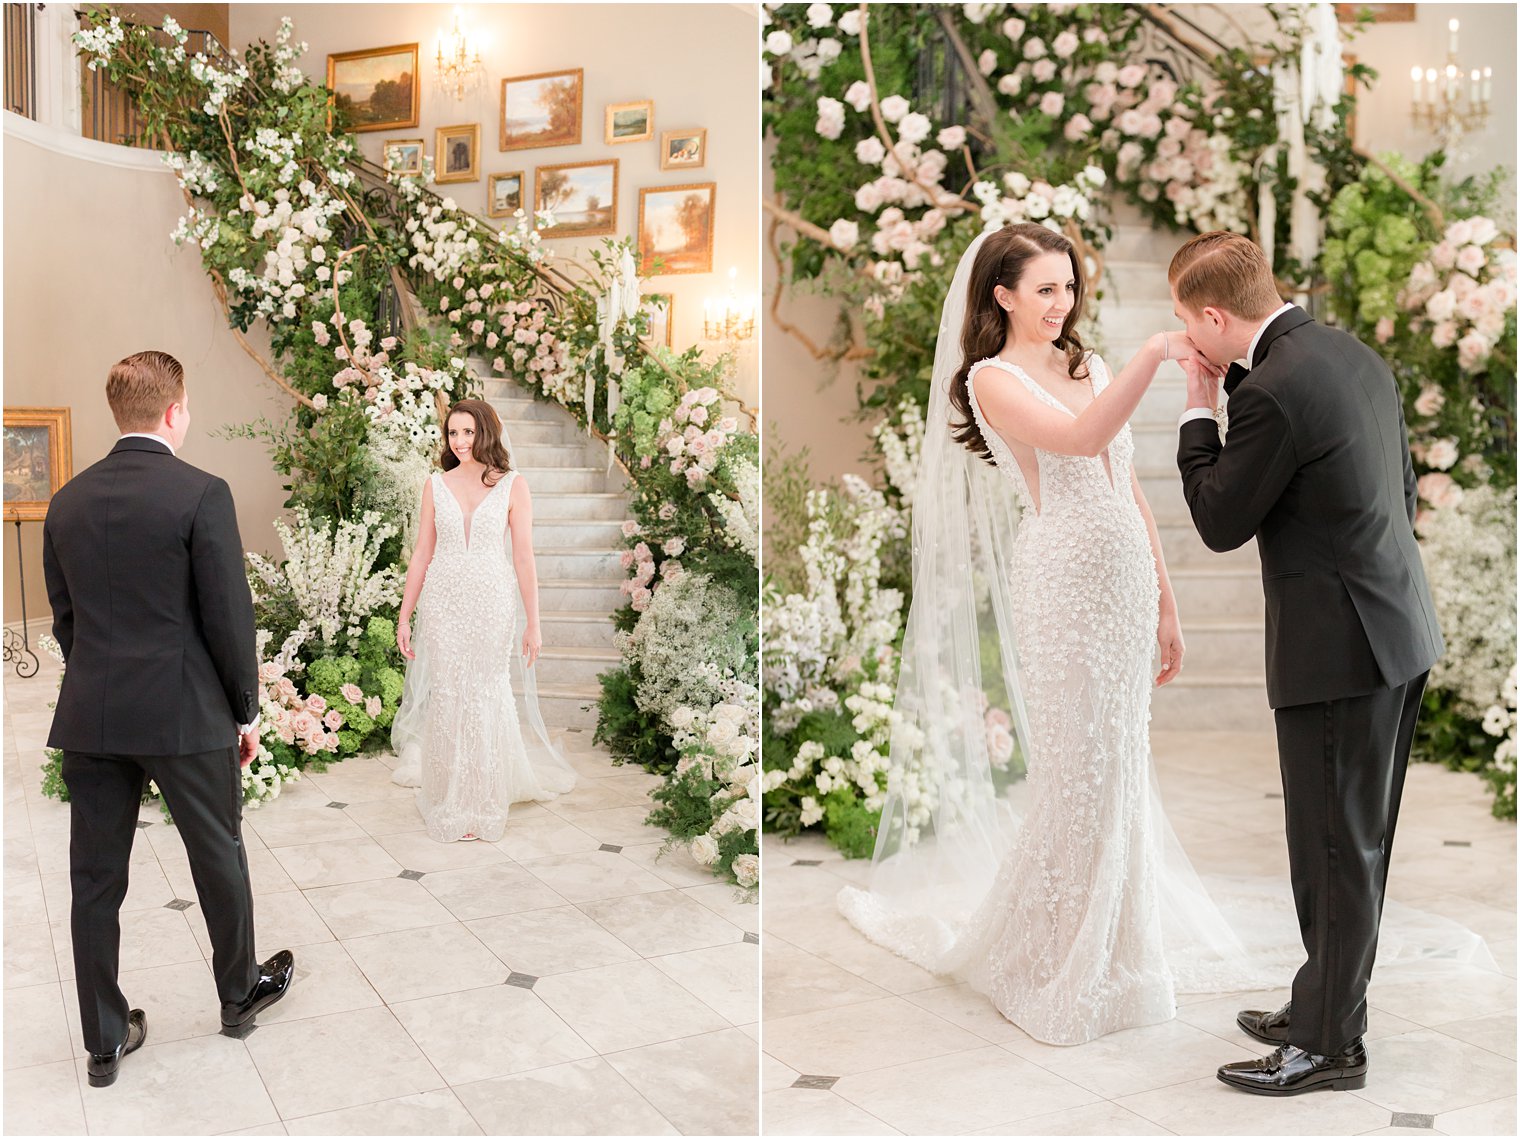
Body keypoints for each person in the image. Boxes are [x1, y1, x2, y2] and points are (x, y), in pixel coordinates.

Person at [838, 222, 1265, 1047]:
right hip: (1062, 580)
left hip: (1125, 582)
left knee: (1122, 764)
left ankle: (1119, 952)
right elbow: (1078, 440)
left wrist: (1167, 598)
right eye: (1044, 289)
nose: (1061, 303)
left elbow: (1125, 481)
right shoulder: (989, 379)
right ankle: (1057, 957)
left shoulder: (1086, 362)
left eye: (1069, 287)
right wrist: (1152, 357)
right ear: (1002, 295)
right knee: (1080, 768)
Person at [1169, 232, 1444, 1096]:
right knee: (1353, 845)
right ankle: (1324, 1003)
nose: (1190, 340)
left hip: (1340, 648)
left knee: (1332, 848)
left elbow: (1218, 518)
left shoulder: (1272, 391)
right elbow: (1402, 489)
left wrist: (1195, 404)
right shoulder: (1349, 354)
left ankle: (1328, 1044)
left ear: (1215, 316)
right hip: (1396, 625)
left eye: (1188, 325)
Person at [42, 350, 294, 1088]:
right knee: (218, 853)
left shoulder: (67, 501)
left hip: (93, 713)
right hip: (185, 713)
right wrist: (244, 710)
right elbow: (228, 619)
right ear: (176, 410)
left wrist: (98, 674)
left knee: (93, 879)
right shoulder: (201, 492)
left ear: (118, 412)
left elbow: (66, 622)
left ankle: (104, 1035)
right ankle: (238, 992)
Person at [390, 398, 575, 842]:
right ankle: (449, 798)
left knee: (485, 692)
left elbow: (524, 557)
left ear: (486, 432)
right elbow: (421, 553)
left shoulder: (514, 485)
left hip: (492, 600)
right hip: (444, 600)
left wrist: (534, 622)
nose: (460, 442)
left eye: (468, 432)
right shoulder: (435, 484)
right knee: (450, 692)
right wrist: (405, 614)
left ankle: (482, 799)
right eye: (453, 433)